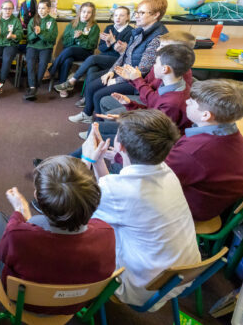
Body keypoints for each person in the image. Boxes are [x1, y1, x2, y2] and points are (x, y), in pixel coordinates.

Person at [82, 110, 200, 310]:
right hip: (183, 277)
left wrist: (88, 160)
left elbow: (74, 208)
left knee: (80, 236)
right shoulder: (167, 171)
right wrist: (100, 160)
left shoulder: (118, 190)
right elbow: (111, 191)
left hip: (142, 287)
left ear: (120, 146)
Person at [0, 155, 115, 315]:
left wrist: (19, 213)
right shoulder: (106, 234)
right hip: (75, 304)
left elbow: (4, 253)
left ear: (38, 200)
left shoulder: (17, 235)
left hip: (24, 303)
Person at [165, 79, 243, 221]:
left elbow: (155, 178)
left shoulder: (194, 152)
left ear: (206, 115)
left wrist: (121, 156)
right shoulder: (226, 130)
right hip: (209, 199)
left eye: (191, 101)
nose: (187, 102)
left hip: (188, 210)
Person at [69, 0, 169, 124]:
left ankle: (100, 127)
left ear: (156, 15)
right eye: (137, 12)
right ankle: (87, 115)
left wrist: (116, 80)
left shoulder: (157, 37)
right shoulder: (139, 31)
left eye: (142, 13)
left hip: (137, 80)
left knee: (99, 95)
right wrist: (111, 72)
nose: (137, 16)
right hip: (124, 72)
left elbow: (143, 70)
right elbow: (124, 55)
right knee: (91, 84)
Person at [84, 44, 194, 140]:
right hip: (148, 126)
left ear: (165, 69)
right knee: (98, 127)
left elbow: (153, 130)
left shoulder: (172, 102)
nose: (153, 66)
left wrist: (128, 118)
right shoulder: (168, 86)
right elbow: (153, 111)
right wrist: (130, 104)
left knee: (97, 130)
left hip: (149, 139)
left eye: (155, 63)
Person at [98, 31, 196, 115]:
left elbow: (153, 101)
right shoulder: (161, 65)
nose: (157, 49)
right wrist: (131, 79)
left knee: (108, 109)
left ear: (177, 52)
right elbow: (148, 87)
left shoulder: (173, 74)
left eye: (163, 47)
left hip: (150, 105)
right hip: (147, 98)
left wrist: (137, 80)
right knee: (104, 101)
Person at [55, 6, 133, 99]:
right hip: (103, 57)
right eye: (116, 15)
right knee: (91, 69)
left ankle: (72, 81)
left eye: (121, 15)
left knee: (92, 58)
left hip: (117, 60)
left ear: (128, 17)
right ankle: (86, 97)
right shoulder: (109, 27)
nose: (118, 18)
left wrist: (112, 41)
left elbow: (124, 53)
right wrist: (107, 45)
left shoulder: (130, 31)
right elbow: (101, 48)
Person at [50, 1, 100, 90]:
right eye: (84, 11)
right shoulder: (72, 24)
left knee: (71, 49)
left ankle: (53, 69)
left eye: (89, 12)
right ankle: (63, 86)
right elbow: (65, 42)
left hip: (85, 53)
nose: (86, 14)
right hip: (68, 53)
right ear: (80, 12)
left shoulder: (94, 27)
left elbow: (91, 45)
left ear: (92, 14)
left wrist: (80, 38)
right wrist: (74, 37)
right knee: (67, 60)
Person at [0, 0, 23, 97]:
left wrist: (13, 36)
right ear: (1, 9)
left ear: (12, 9)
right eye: (5, 8)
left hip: (10, 44)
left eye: (10, 8)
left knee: (7, 58)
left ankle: (0, 83)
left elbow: (20, 35)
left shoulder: (15, 21)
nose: (7, 11)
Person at [24, 0, 58, 101]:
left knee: (43, 64)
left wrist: (41, 33)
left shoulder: (52, 21)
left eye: (43, 8)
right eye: (39, 8)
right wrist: (35, 34)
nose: (41, 10)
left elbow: (52, 39)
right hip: (33, 46)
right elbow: (29, 38)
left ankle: (34, 87)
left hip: (46, 48)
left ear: (48, 9)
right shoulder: (33, 20)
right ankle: (33, 87)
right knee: (30, 63)